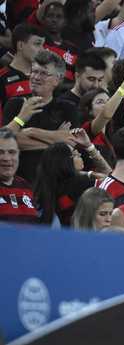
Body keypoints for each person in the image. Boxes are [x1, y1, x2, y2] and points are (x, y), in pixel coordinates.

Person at [3, 50, 80, 183]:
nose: (36, 77)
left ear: (57, 79)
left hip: (56, 183)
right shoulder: (15, 104)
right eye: (34, 71)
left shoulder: (68, 108)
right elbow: (6, 142)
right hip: (22, 181)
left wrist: (31, 132)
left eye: (43, 73)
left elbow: (71, 143)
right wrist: (56, 139)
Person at [33, 128, 111, 225]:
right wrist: (89, 147)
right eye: (75, 154)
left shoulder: (46, 188)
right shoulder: (81, 183)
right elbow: (111, 180)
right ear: (65, 162)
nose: (79, 154)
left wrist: (87, 173)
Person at [0, 24, 45, 114]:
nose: (42, 49)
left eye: (43, 45)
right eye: (37, 44)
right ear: (20, 45)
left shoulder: (46, 76)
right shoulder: (2, 78)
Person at [0, 127, 37, 224]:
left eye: (12, 152)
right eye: (0, 152)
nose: (6, 158)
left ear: (18, 155)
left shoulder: (25, 186)